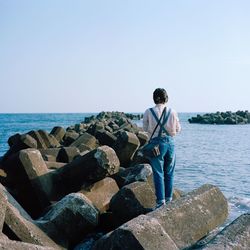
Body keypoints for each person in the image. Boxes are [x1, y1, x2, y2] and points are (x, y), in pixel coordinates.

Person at [143, 88, 181, 208]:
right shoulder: (172, 111)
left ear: (154, 98)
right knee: (169, 172)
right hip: (170, 143)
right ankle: (169, 200)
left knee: (158, 173)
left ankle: (160, 202)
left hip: (156, 144)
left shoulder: (148, 112)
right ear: (166, 98)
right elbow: (177, 129)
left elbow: (145, 128)